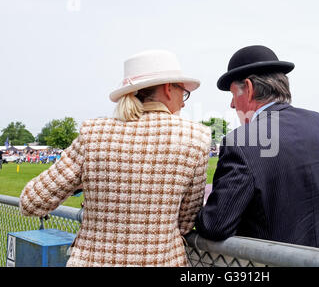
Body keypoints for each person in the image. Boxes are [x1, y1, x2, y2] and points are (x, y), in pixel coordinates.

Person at [20, 49, 211, 266]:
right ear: (168, 88)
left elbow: (31, 202)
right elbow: (185, 222)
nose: (184, 101)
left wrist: (88, 184)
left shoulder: (93, 133)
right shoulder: (196, 137)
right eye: (183, 92)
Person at [195, 45, 319, 250]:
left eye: (233, 94)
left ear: (248, 88)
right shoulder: (316, 122)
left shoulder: (243, 140)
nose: (232, 105)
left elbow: (215, 225)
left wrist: (205, 203)